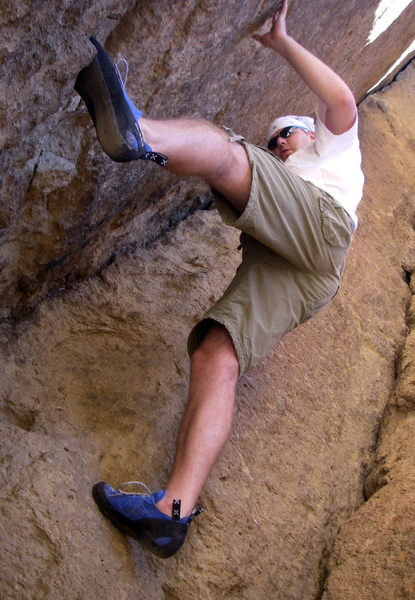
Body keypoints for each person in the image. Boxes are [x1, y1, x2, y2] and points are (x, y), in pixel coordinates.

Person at [74, 0, 364, 559]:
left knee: (228, 153)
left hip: (322, 230)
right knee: (216, 354)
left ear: (313, 133)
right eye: (276, 139)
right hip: (300, 270)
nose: (280, 143)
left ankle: (140, 131)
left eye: (288, 134)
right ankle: (171, 515)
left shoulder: (335, 154)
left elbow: (342, 101)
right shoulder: (288, 176)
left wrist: (283, 43)